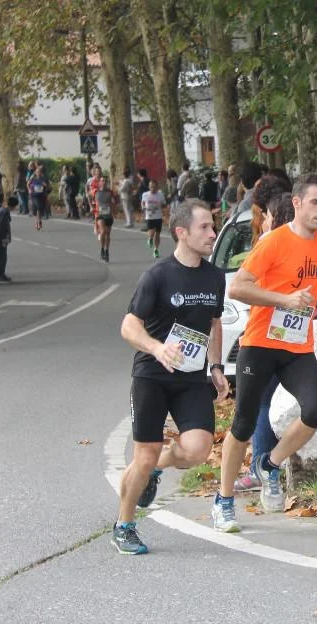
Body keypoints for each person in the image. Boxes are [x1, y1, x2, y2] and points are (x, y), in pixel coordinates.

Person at [214, 174, 317, 531]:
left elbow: (307, 288)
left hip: (296, 345)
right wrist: (283, 300)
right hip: (260, 344)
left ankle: (270, 465)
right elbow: (238, 288)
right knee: (243, 424)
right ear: (297, 203)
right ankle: (224, 501)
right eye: (315, 202)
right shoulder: (273, 241)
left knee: (315, 410)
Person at [113, 199, 229, 555]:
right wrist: (156, 347)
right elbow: (129, 326)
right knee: (144, 454)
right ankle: (124, 526)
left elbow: (213, 323)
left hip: (190, 377)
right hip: (152, 376)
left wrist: (216, 367)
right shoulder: (158, 275)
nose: (212, 233)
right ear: (181, 232)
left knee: (197, 450)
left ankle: (153, 468)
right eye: (205, 227)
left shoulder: (214, 276)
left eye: (213, 226)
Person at [232, 190, 296, 493]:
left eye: (268, 216)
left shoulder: (269, 243)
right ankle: (272, 464)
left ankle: (261, 466)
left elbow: (247, 288)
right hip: (296, 335)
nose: (265, 221)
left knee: (261, 402)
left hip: (267, 333)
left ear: (277, 217)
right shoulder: (305, 243)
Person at [142, 179, 166, 259]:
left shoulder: (160, 194)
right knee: (152, 231)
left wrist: (161, 206)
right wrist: (143, 207)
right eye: (151, 187)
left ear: (157, 187)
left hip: (158, 216)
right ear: (149, 187)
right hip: (149, 216)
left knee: (157, 233)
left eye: (154, 187)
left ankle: (156, 250)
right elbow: (143, 202)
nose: (153, 189)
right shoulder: (145, 194)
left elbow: (164, 204)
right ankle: (150, 238)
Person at [95, 176, 116, 262]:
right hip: (100, 215)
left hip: (108, 215)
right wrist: (91, 207)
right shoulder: (96, 192)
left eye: (104, 181)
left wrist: (113, 209)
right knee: (103, 232)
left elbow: (114, 202)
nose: (103, 182)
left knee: (107, 234)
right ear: (99, 182)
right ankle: (102, 249)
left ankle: (106, 251)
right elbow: (91, 198)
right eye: (102, 181)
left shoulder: (110, 192)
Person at [27, 165, 51, 232]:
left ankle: (39, 221)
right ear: (35, 172)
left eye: (39, 171)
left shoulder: (44, 179)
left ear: (41, 172)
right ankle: (37, 221)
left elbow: (49, 187)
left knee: (40, 209)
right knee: (37, 208)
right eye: (37, 171)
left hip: (42, 195)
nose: (38, 173)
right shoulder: (33, 178)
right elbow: (28, 184)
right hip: (34, 195)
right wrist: (29, 190)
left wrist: (45, 185)